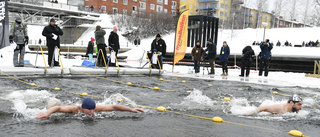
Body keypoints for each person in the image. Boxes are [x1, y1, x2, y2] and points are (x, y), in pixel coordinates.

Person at [36, 97, 144, 120]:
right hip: (55, 105)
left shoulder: (95, 109)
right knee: (53, 105)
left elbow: (113, 107)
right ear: (83, 108)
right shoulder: (75, 109)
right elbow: (58, 108)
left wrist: (131, 110)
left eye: (93, 109)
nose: (92, 112)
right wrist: (47, 113)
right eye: (90, 110)